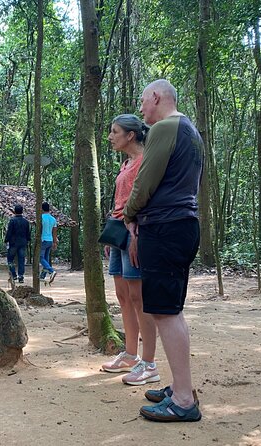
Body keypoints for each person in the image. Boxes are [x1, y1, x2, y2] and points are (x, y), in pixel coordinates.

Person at [123, 79, 203, 422]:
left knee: (166, 313)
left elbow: (146, 180)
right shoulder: (190, 130)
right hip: (181, 224)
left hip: (165, 227)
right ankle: (180, 386)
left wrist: (128, 215)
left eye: (143, 101)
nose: (141, 109)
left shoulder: (165, 128)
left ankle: (184, 401)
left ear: (156, 97)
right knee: (171, 310)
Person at [100, 114, 159, 387]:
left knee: (139, 297)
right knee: (123, 295)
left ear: (130, 135)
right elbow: (118, 201)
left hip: (137, 232)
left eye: (115, 132)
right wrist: (112, 239)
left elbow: (148, 200)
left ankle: (150, 363)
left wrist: (137, 233)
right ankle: (131, 354)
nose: (111, 137)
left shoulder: (146, 162)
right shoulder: (125, 164)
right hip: (118, 232)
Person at [5, 204, 31, 283]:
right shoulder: (26, 222)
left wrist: (6, 240)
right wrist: (28, 240)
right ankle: (21, 276)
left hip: (13, 243)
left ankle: (14, 274)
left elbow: (9, 232)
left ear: (14, 211)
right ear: (22, 211)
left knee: (10, 259)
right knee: (21, 260)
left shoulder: (12, 221)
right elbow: (28, 233)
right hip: (23, 243)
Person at [39, 202, 58, 283]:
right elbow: (54, 231)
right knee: (46, 258)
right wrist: (54, 242)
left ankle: (51, 270)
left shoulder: (41, 218)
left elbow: (39, 229)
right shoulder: (53, 219)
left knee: (40, 258)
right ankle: (42, 276)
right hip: (50, 240)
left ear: (42, 209)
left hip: (43, 240)